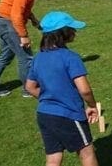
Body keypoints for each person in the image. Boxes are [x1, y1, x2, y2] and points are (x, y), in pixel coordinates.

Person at [25, 11, 99, 166]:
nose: (75, 32)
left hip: (44, 114)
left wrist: (50, 97)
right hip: (69, 114)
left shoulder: (39, 57)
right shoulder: (70, 57)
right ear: (63, 34)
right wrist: (92, 106)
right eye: (72, 29)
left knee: (53, 158)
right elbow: (84, 90)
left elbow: (30, 87)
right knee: (87, 153)